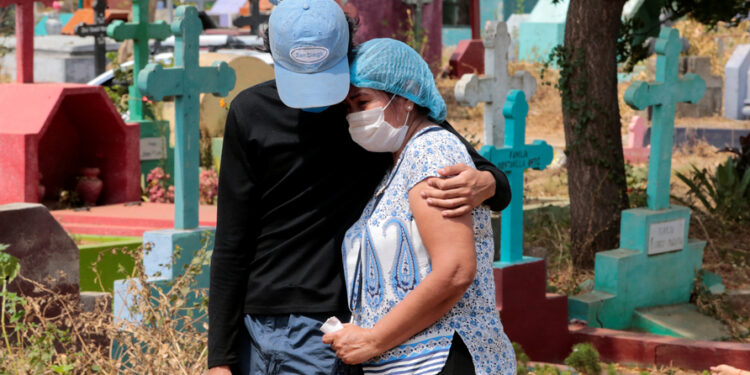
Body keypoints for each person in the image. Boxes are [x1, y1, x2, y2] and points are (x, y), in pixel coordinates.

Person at [207, 0, 511, 374]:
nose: (321, 98)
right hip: (255, 322)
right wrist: (219, 357)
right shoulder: (250, 111)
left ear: (348, 50)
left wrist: (486, 182)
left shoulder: (374, 106)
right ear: (274, 56)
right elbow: (232, 241)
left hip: (326, 326)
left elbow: (457, 155)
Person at [321, 38, 516, 375]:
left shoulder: (431, 152)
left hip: (445, 358)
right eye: (348, 108)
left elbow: (455, 270)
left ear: (407, 95)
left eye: (363, 102)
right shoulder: (396, 163)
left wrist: (374, 339)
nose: (354, 116)